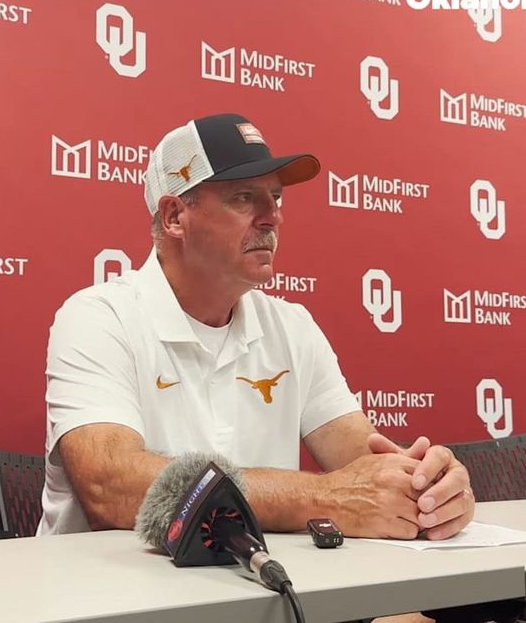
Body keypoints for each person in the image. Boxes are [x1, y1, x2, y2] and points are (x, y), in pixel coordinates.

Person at [37, 113, 474, 547]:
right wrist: (325, 497)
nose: (272, 218)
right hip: (114, 604)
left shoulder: (292, 326)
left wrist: (430, 489)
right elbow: (112, 489)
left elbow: (365, 461)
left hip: (263, 595)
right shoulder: (98, 318)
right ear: (174, 216)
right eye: (245, 198)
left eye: (276, 198)